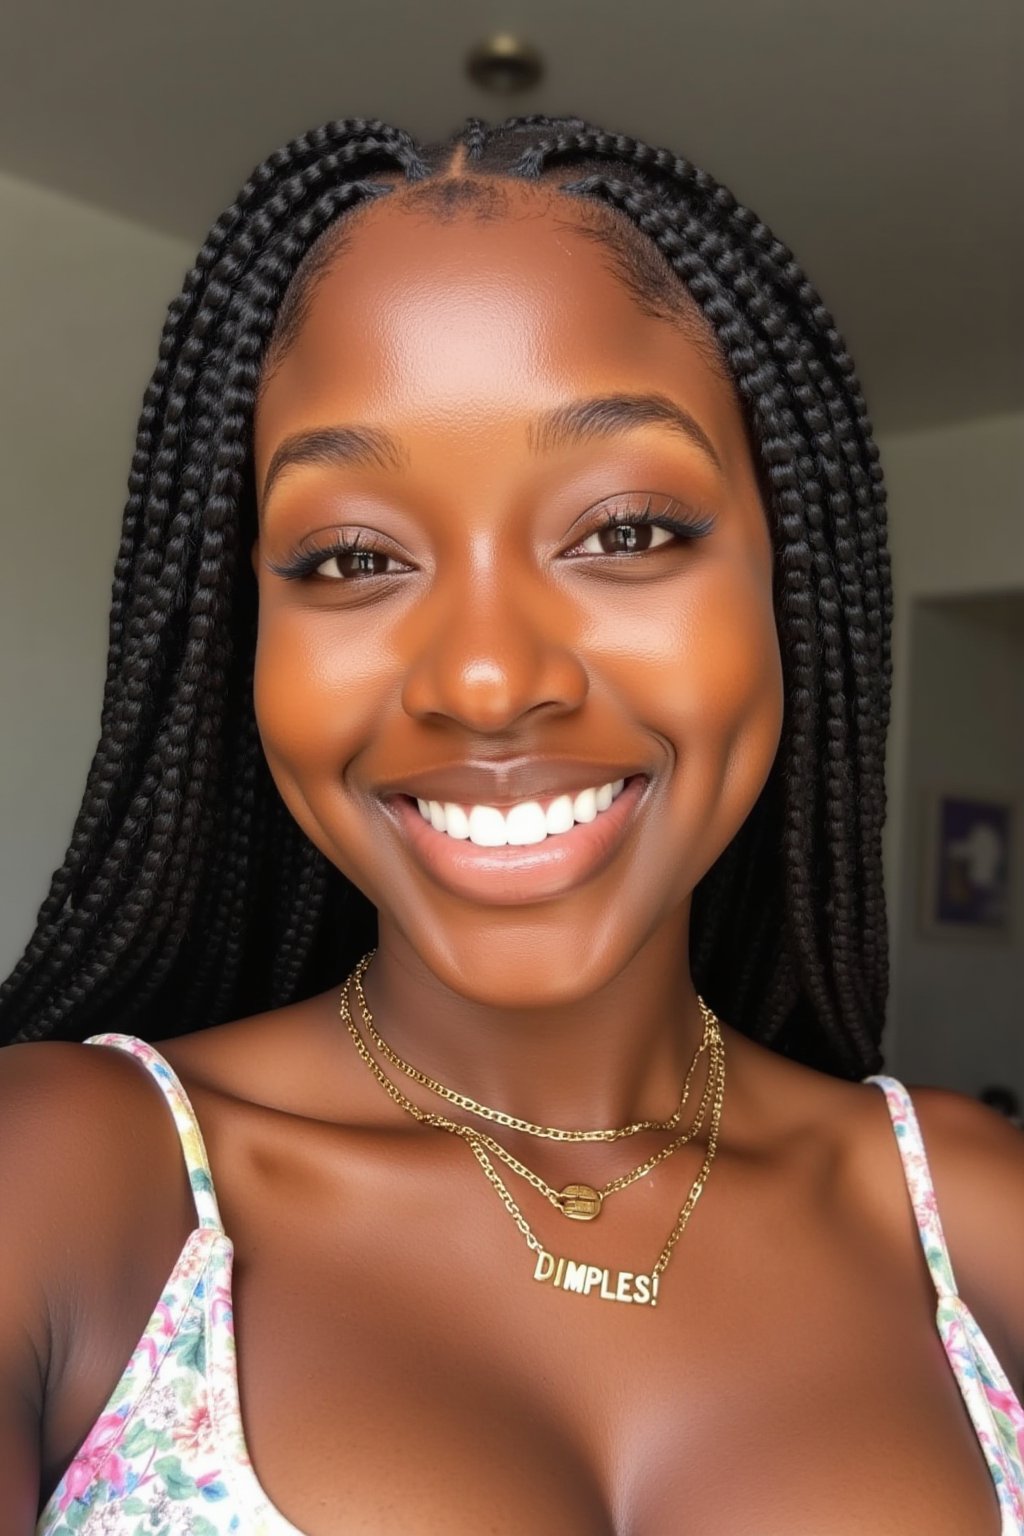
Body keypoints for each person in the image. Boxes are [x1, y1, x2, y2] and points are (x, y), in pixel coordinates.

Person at [1, 114, 1021, 1535]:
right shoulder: (55, 1182)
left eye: (625, 531)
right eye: (353, 556)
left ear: (786, 584)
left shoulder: (973, 1225)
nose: (486, 679)